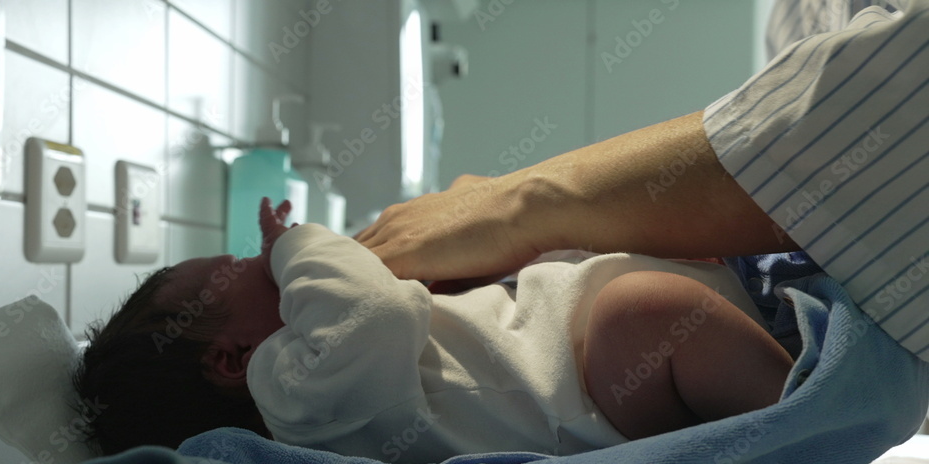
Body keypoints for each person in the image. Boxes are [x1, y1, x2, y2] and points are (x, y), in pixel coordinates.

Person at [355, 0, 928, 364]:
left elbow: (891, 120)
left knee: (642, 307)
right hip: (820, 331)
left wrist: (527, 202)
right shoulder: (794, 14)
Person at [74, 197, 791, 462]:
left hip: (584, 365)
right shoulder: (295, 391)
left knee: (641, 292)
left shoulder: (314, 399)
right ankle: (806, 408)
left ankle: (785, 356)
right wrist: (293, 244)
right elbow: (379, 312)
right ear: (232, 359)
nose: (257, 261)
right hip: (590, 387)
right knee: (645, 312)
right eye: (236, 267)